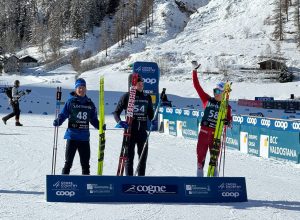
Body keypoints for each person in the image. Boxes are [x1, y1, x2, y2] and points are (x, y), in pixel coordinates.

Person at [192, 64, 232, 177]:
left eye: (218, 91)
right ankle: (199, 180)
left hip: (216, 136)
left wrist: (227, 122)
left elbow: (230, 122)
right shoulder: (207, 100)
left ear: (224, 93)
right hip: (204, 134)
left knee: (213, 162)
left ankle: (215, 182)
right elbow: (197, 86)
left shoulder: (226, 107)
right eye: (215, 91)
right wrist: (194, 71)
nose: (216, 93)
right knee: (200, 160)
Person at [53, 78, 99, 175]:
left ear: (85, 89)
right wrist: (58, 121)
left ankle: (86, 185)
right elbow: (64, 114)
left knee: (85, 164)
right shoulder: (70, 102)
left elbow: (93, 119)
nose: (81, 90)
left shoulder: (90, 104)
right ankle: (63, 182)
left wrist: (99, 126)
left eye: (83, 87)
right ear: (76, 89)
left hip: (84, 138)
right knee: (68, 163)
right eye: (79, 88)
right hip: (72, 137)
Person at [113, 74, 154, 176]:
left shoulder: (147, 97)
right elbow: (116, 112)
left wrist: (154, 118)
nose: (141, 86)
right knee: (129, 159)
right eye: (139, 84)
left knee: (142, 160)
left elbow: (151, 114)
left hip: (142, 133)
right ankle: (129, 181)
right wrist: (119, 121)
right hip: (130, 133)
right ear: (133, 84)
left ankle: (141, 181)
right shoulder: (127, 96)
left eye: (142, 84)